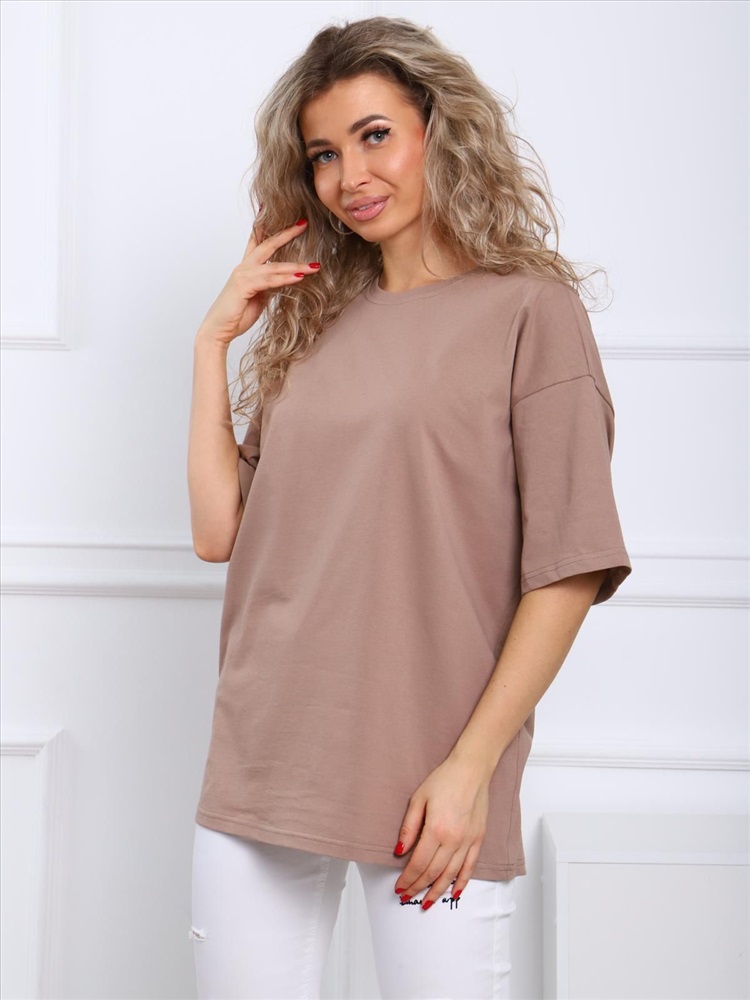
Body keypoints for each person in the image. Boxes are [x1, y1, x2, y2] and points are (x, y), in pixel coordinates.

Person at [186, 14, 632, 999]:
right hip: (264, 753)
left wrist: (471, 769)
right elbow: (220, 533)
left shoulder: (530, 313)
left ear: (441, 128)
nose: (350, 175)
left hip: (434, 781)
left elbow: (569, 567)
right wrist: (212, 344)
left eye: (375, 135)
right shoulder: (315, 323)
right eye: (324, 154)